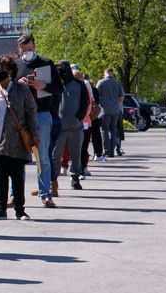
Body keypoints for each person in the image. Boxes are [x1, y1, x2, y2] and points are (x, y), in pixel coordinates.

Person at [0, 55, 39, 221]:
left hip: (17, 139)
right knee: (1, 175)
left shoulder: (21, 90)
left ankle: (20, 210)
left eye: (2, 68)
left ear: (11, 72)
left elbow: (31, 112)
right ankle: (1, 209)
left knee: (17, 174)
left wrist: (35, 134)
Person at [15, 33, 63, 209]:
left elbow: (59, 88)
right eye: (23, 49)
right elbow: (7, 88)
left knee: (42, 157)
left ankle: (46, 194)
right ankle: (15, 195)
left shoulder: (45, 63)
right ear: (19, 49)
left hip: (41, 113)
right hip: (20, 115)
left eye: (29, 49)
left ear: (34, 47)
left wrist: (43, 86)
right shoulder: (16, 64)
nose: (27, 52)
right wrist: (17, 83)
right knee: (18, 157)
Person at [52, 61, 90, 191]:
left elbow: (85, 102)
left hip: (75, 127)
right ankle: (53, 179)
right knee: (55, 154)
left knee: (76, 154)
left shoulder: (79, 85)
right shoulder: (56, 85)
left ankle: (75, 178)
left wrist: (79, 117)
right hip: (59, 128)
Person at [96, 68, 125, 157]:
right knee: (113, 130)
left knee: (105, 130)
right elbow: (121, 98)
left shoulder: (101, 82)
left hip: (104, 110)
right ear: (112, 73)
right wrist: (116, 104)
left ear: (105, 73)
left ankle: (107, 150)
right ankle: (112, 151)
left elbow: (96, 95)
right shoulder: (117, 83)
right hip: (115, 110)